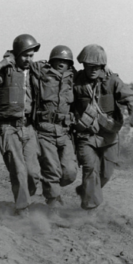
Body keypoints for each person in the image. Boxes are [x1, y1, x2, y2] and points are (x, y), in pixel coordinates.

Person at [0, 34, 42, 215]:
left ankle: (25, 198)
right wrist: (0, 65)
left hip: (28, 128)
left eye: (31, 56)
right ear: (16, 54)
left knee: (33, 173)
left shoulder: (35, 72)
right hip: (8, 128)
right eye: (25, 56)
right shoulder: (6, 71)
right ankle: (22, 209)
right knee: (19, 170)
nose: (28, 59)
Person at [72, 44, 133, 210]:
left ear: (103, 66)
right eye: (89, 66)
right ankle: (89, 210)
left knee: (106, 175)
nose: (93, 70)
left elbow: (130, 97)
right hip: (86, 137)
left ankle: (86, 191)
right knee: (90, 170)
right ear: (83, 65)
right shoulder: (76, 82)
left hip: (108, 136)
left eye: (97, 67)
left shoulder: (112, 81)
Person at [35, 45, 78, 208]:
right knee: (52, 170)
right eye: (58, 60)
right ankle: (53, 202)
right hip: (45, 131)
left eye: (65, 61)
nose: (61, 63)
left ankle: (51, 186)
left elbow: (92, 76)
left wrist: (105, 70)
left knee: (70, 173)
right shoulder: (42, 73)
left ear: (70, 64)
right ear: (52, 61)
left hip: (65, 132)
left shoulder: (74, 78)